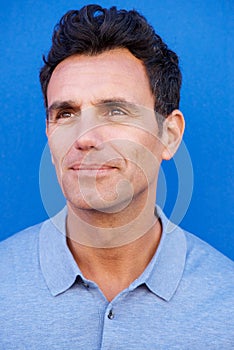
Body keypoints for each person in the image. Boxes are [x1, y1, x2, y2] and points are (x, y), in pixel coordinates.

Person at [0, 4, 233, 349]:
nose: (84, 138)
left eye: (116, 111)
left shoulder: (226, 305)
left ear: (169, 135)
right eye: (66, 113)